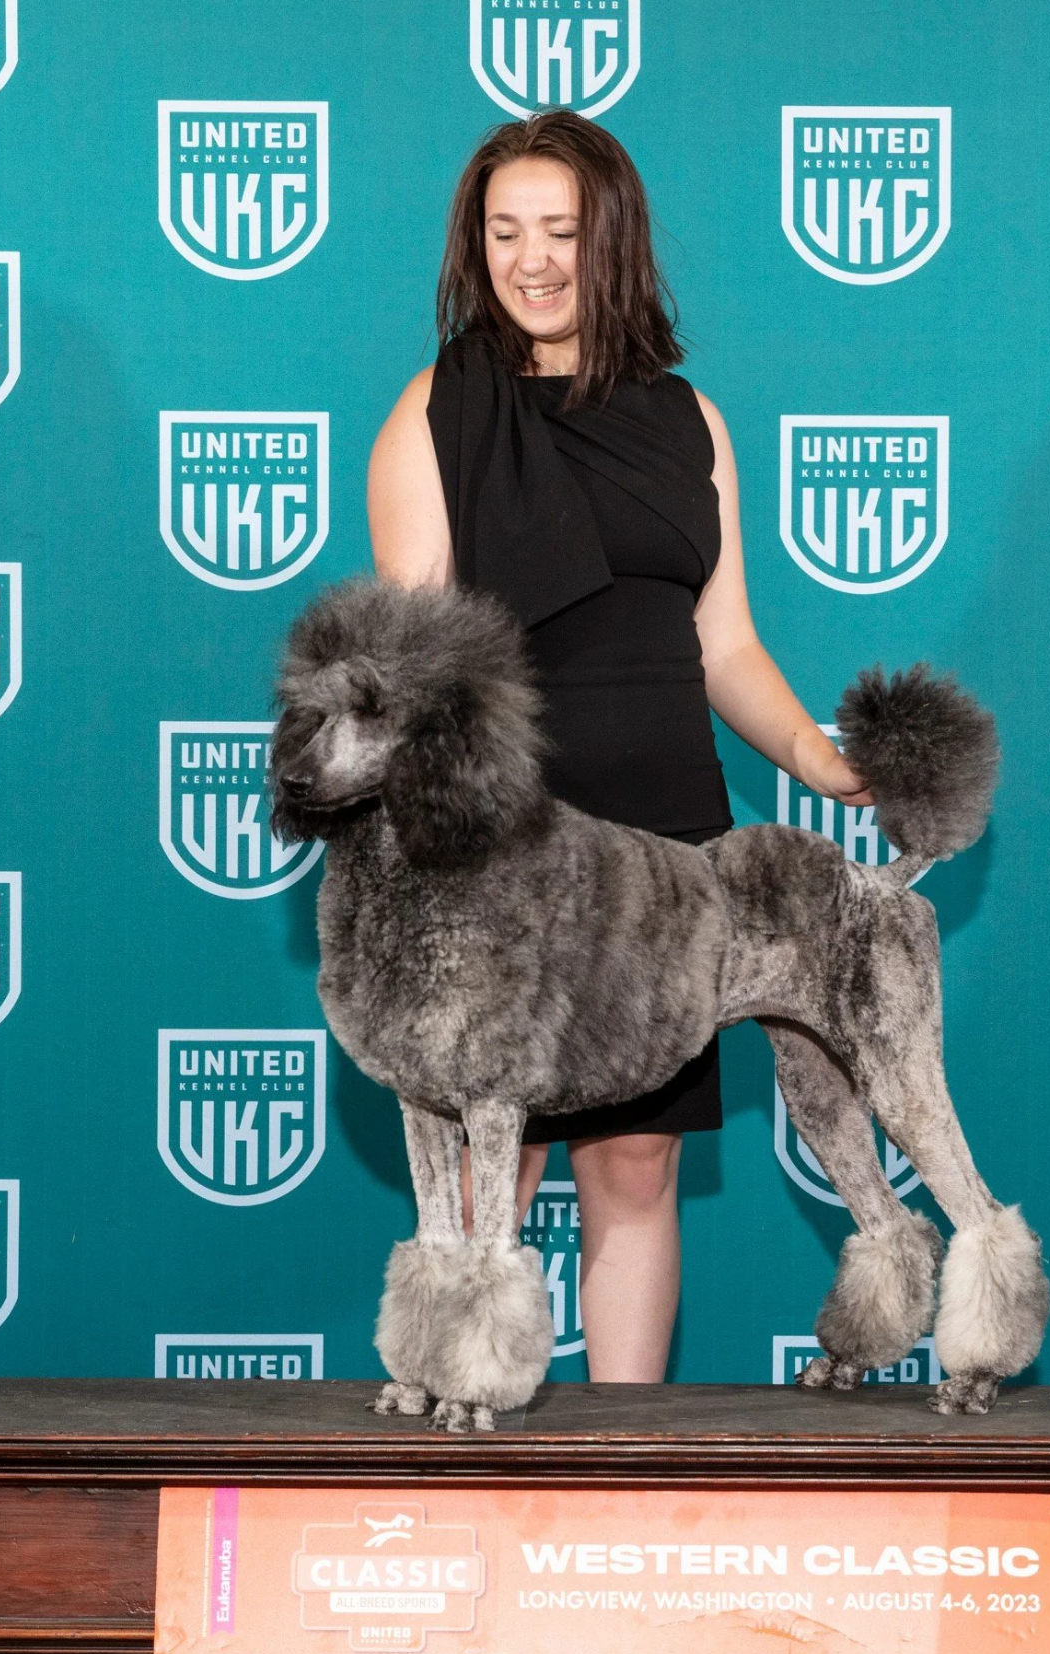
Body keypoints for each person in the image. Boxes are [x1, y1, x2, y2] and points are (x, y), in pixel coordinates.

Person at [367, 110, 870, 1384]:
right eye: (503, 233)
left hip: (663, 838)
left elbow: (727, 646)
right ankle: (474, 1452)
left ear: (615, 243)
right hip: (507, 836)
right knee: (503, 1158)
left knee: (638, 1158)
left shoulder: (691, 422)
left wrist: (819, 761)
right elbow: (415, 658)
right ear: (472, 248)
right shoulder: (434, 415)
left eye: (562, 231)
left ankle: (622, 1460)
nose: (532, 260)